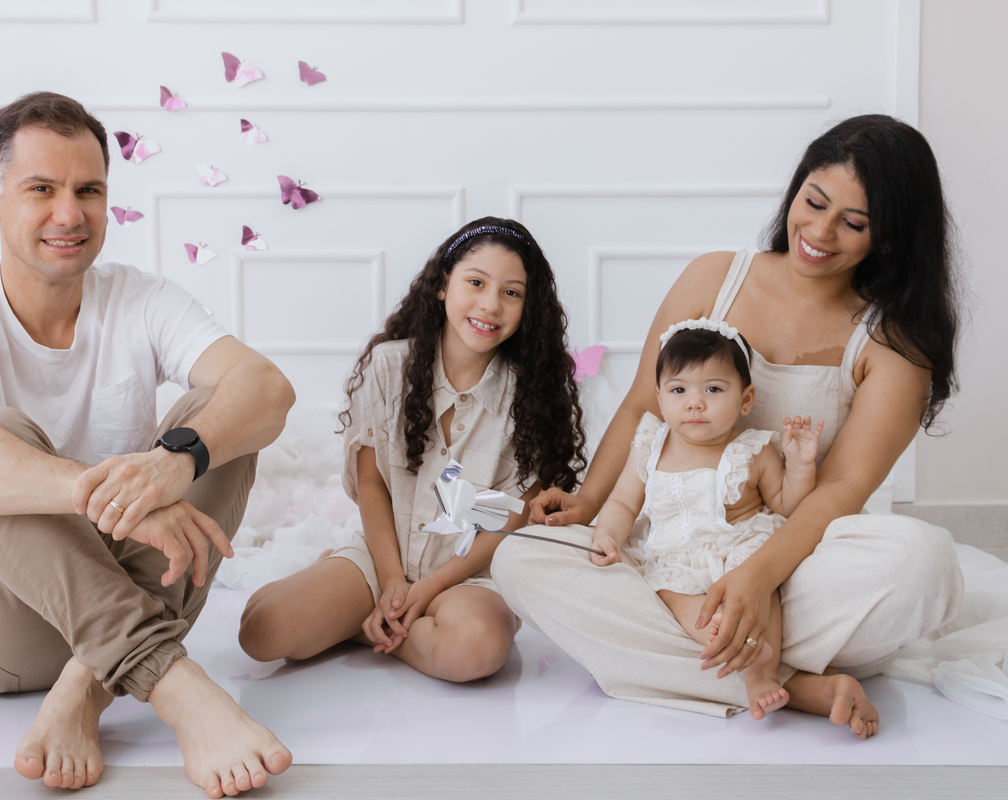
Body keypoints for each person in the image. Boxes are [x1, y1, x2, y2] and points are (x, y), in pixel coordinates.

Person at [492, 114, 964, 734]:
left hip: (799, 564)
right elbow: (641, 407)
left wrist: (757, 577)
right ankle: (793, 684)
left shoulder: (895, 343)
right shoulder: (714, 277)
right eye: (814, 202)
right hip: (674, 559)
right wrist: (589, 503)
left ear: (892, 236)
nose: (820, 232)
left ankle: (712, 656)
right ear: (796, 188)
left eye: (853, 223)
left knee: (924, 562)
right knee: (520, 558)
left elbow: (841, 491)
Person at [0, 92, 296, 797]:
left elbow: (267, 388)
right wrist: (107, 496)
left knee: (216, 419)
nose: (69, 214)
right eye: (41, 189)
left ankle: (85, 688)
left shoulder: (141, 298)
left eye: (88, 191)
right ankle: (177, 687)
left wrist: (175, 463)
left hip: (108, 612)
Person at [237, 218, 586, 681]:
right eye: (476, 282)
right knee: (261, 632)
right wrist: (392, 582)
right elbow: (371, 482)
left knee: (476, 650)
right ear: (443, 285)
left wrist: (429, 588)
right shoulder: (389, 366)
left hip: (468, 576)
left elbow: (511, 519)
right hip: (384, 559)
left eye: (511, 292)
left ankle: (366, 628)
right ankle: (371, 611)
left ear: (529, 306)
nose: (490, 304)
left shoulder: (534, 395)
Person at [594, 320, 825, 723]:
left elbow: (787, 505)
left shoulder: (753, 450)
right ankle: (722, 637)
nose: (695, 403)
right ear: (660, 399)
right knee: (674, 596)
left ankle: (762, 673)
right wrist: (606, 535)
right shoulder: (650, 446)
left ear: (745, 399)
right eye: (678, 390)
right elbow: (622, 502)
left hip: (739, 551)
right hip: (675, 558)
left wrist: (801, 466)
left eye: (713, 389)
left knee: (763, 590)